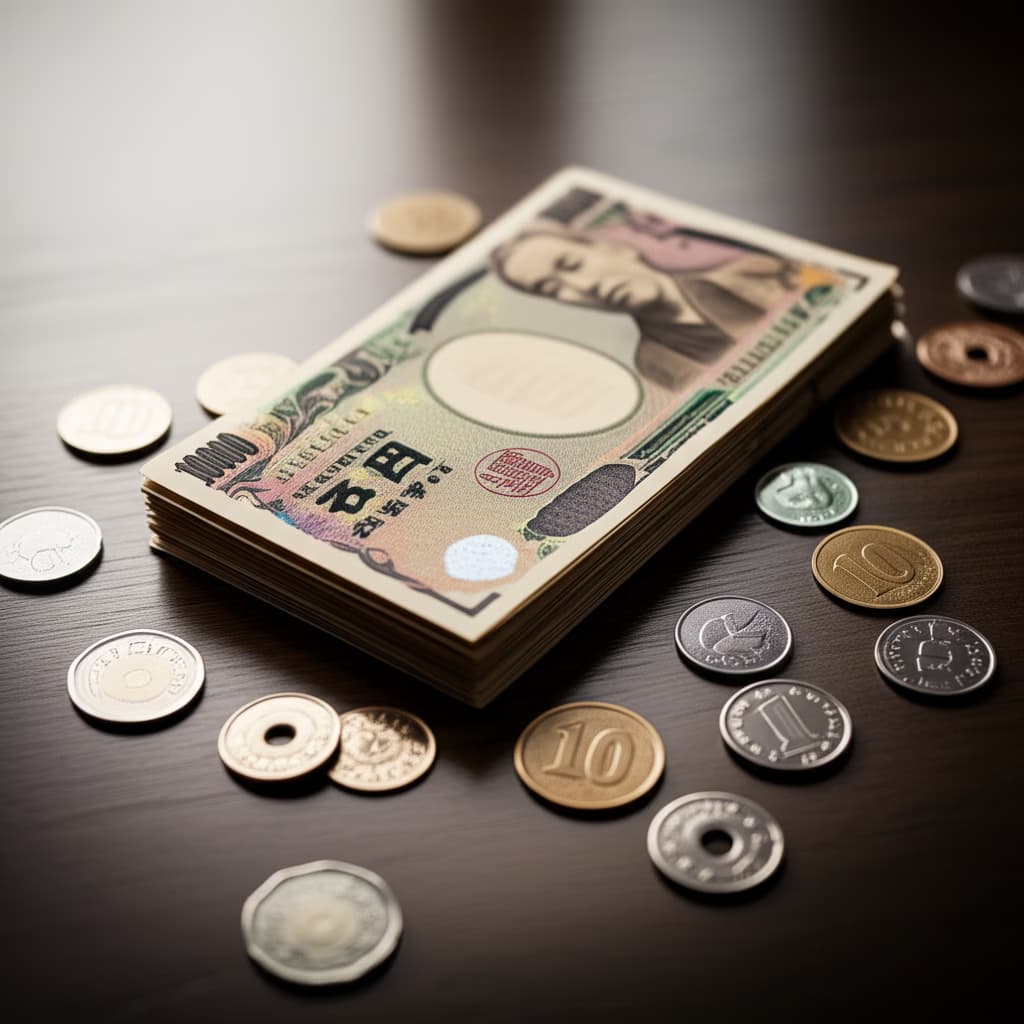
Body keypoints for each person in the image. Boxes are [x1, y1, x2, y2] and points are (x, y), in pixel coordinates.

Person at [491, 227, 798, 389]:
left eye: (572, 264)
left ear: (616, 248)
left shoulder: (760, 271)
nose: (583, 287)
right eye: (554, 289)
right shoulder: (654, 362)